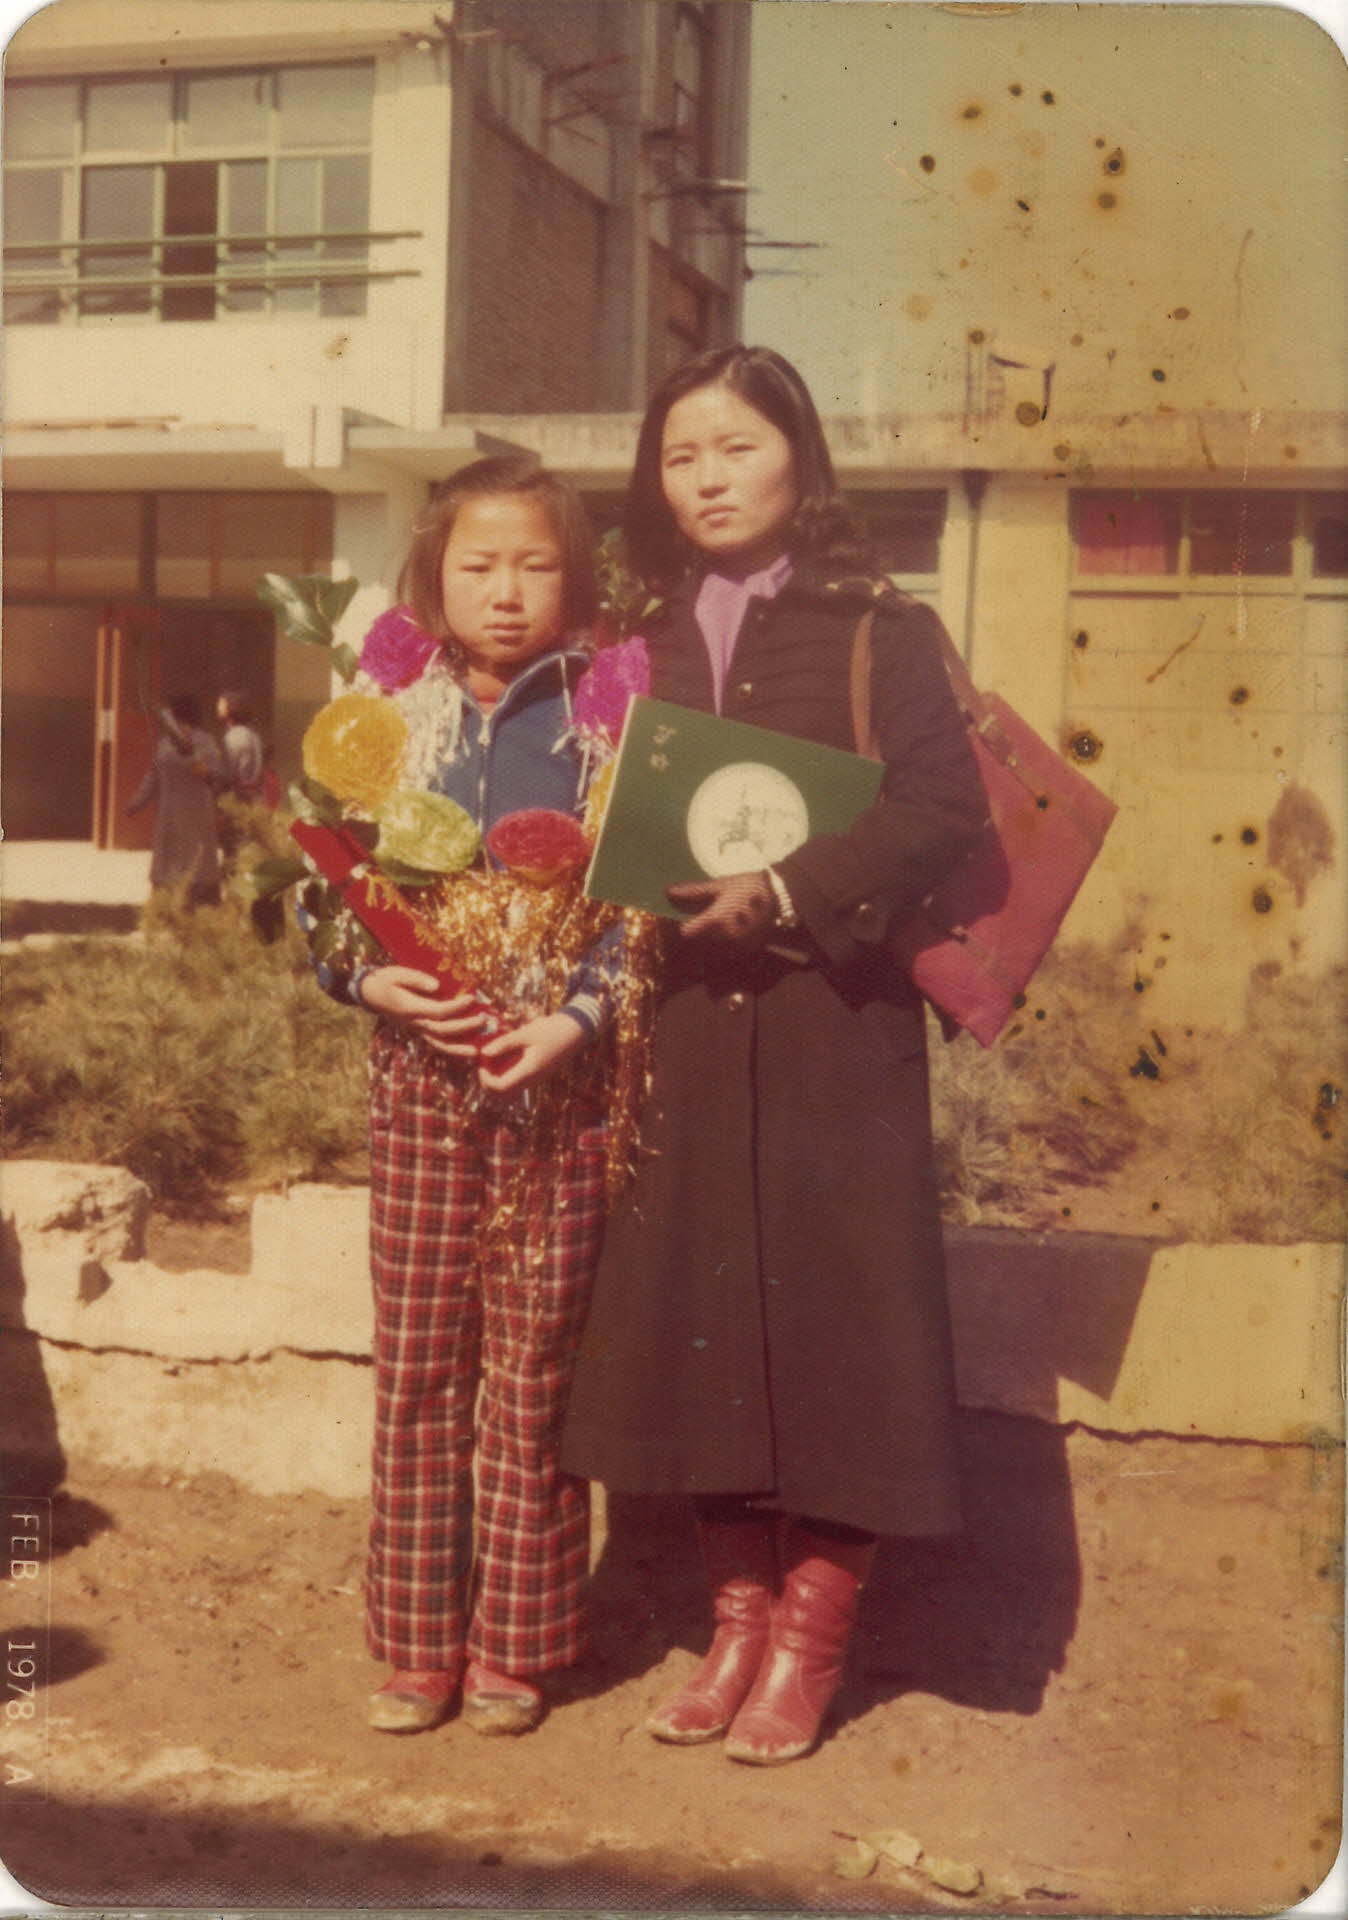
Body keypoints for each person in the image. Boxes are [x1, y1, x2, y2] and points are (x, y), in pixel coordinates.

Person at [560, 346, 988, 1765]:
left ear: (800, 458)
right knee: (702, 1318)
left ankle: (810, 1643)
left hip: (834, 1027)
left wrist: (789, 887)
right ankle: (732, 1624)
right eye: (681, 455)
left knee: (839, 1330)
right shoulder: (637, 640)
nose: (708, 478)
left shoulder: (878, 625)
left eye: (737, 448)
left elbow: (941, 807)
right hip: (685, 1025)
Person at [305, 455, 621, 1738]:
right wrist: (365, 980)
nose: (505, 592)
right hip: (418, 1085)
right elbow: (323, 894)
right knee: (421, 1362)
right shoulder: (384, 720)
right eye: (477, 565)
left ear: (575, 579)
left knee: (534, 1363)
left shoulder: (610, 725)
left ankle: (517, 1643)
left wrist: (576, 1020)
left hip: (562, 1093)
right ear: (432, 578)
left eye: (535, 565)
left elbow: (639, 912)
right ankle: (417, 1642)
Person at [126, 692, 224, 907]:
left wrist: (191, 756)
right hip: (170, 811)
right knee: (168, 859)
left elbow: (213, 774)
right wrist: (137, 802)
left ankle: (199, 904)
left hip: (196, 810)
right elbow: (154, 775)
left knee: (197, 859)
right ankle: (165, 906)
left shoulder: (205, 741)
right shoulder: (165, 743)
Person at [215, 689, 266, 801]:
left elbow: (228, 772)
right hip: (254, 796)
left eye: (222, 704)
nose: (218, 707)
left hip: (238, 797)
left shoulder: (235, 736)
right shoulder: (252, 734)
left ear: (232, 708)